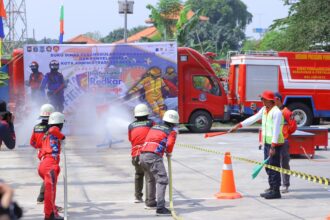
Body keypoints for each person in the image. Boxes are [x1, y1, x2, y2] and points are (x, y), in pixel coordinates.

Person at [230, 90, 284, 199]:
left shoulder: (276, 112)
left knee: (274, 167)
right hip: (267, 142)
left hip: (275, 144)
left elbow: (276, 130)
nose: (261, 101)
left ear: (269, 101)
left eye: (263, 99)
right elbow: (253, 119)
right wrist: (239, 125)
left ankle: (276, 191)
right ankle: (271, 187)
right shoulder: (264, 110)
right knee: (268, 167)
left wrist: (273, 146)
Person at [139, 110, 179, 216]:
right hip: (153, 156)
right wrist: (169, 153)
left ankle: (150, 203)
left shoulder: (155, 127)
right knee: (162, 180)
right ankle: (160, 208)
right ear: (175, 122)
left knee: (150, 178)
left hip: (142, 155)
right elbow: (169, 144)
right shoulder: (171, 131)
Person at [38, 112, 65, 220]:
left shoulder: (46, 135)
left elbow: (40, 151)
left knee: (51, 190)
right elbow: (54, 130)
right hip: (50, 164)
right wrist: (63, 137)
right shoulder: (53, 129)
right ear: (60, 123)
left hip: (45, 163)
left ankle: (53, 211)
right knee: (50, 191)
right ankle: (49, 215)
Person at [128, 104, 155, 203]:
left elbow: (131, 140)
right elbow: (155, 135)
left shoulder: (131, 126)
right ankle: (149, 200)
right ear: (147, 114)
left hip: (135, 155)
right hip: (147, 154)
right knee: (149, 176)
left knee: (138, 174)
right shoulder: (151, 123)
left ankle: (137, 197)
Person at [30, 104, 55, 204]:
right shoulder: (52, 128)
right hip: (48, 153)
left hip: (40, 153)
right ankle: (41, 197)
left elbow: (32, 142)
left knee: (47, 174)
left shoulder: (36, 127)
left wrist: (39, 148)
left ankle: (42, 196)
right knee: (49, 174)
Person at [274, 92, 293, 193]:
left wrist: (285, 134)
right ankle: (275, 185)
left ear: (278, 99)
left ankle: (285, 185)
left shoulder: (286, 112)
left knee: (284, 163)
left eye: (274, 100)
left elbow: (293, 126)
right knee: (274, 163)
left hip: (283, 141)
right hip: (273, 141)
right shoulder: (273, 111)